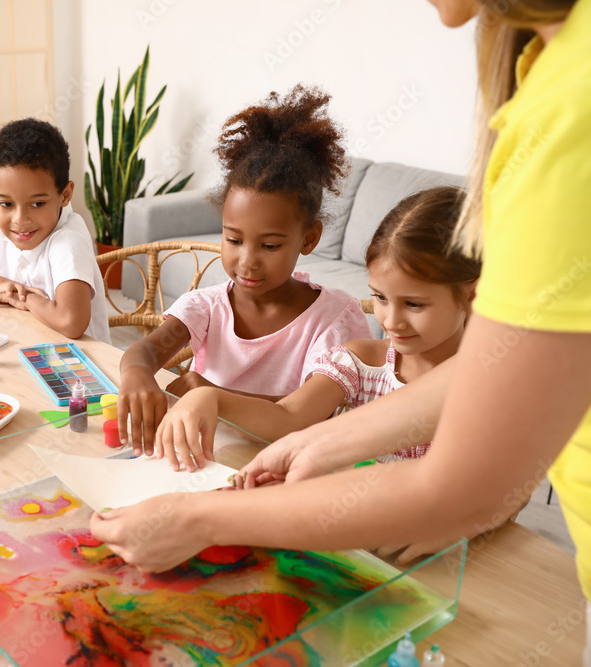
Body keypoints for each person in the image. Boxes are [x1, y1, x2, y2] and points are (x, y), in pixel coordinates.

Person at [92, 1, 591, 659]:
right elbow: (494, 370)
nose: (388, 319)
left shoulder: (569, 110)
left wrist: (198, 516)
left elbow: (459, 483)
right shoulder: (550, 72)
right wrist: (325, 441)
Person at [153, 187, 480, 472]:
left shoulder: (490, 381)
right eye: (380, 297)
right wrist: (212, 398)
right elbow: (288, 418)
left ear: (474, 294)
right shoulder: (362, 362)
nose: (391, 321)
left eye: (413, 304)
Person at [118, 85, 370, 455]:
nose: (247, 261)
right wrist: (137, 374)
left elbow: (303, 415)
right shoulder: (206, 306)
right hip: (205, 455)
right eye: (233, 239)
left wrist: (211, 394)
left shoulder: (333, 321)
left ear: (309, 239)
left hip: (285, 467)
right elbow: (146, 350)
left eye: (269, 246)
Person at [0, 118, 110, 343]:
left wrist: (25, 298)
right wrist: (4, 286)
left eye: (37, 204)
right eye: (6, 204)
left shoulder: (68, 241)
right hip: (28, 343)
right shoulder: (1, 225)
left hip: (83, 365)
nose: (19, 220)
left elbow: (71, 323)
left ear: (64, 195)